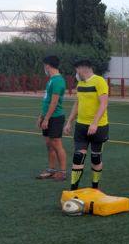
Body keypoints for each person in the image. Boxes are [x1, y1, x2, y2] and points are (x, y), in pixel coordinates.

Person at [64, 59, 110, 190]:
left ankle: (95, 187)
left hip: (99, 127)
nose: (76, 73)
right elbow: (77, 104)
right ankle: (73, 189)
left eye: (76, 70)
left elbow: (104, 104)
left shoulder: (99, 81)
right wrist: (69, 122)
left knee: (96, 158)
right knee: (78, 156)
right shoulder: (80, 84)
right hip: (81, 126)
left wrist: (94, 123)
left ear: (83, 68)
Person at [36, 55, 67, 181]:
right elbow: (46, 101)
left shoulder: (58, 81)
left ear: (48, 65)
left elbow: (54, 103)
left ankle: (63, 172)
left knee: (56, 144)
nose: (44, 68)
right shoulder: (51, 80)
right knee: (49, 144)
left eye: (44, 65)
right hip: (48, 116)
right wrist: (41, 116)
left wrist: (47, 119)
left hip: (55, 117)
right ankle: (51, 169)